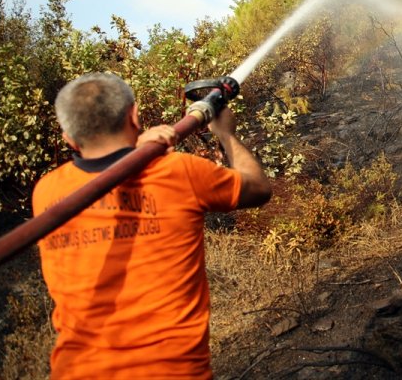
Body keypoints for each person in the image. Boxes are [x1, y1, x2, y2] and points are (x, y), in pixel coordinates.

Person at [32, 72, 270, 379]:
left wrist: (135, 150)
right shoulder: (179, 171)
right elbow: (258, 189)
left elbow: (108, 178)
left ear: (69, 138)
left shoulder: (46, 192)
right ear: (134, 116)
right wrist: (226, 135)